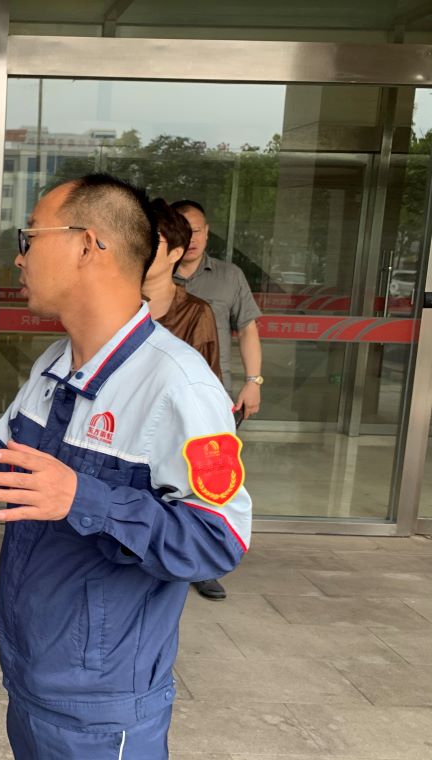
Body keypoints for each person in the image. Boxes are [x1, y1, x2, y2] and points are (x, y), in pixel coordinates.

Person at [0, 174, 251, 760]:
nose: (19, 257)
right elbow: (20, 475)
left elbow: (219, 539)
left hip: (104, 708)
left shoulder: (180, 385)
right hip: (32, 675)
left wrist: (85, 498)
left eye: (29, 238)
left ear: (89, 245)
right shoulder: (56, 362)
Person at [171, 199, 262, 601]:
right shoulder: (152, 272)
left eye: (198, 230)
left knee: (210, 481)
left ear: (208, 232)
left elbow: (248, 329)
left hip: (213, 400)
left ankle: (203, 565)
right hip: (162, 396)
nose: (191, 238)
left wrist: (253, 381)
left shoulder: (229, 276)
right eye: (183, 230)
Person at [145, 198, 220, 379]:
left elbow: (204, 383)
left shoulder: (196, 313)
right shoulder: (112, 303)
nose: (140, 249)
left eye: (152, 242)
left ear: (175, 253)